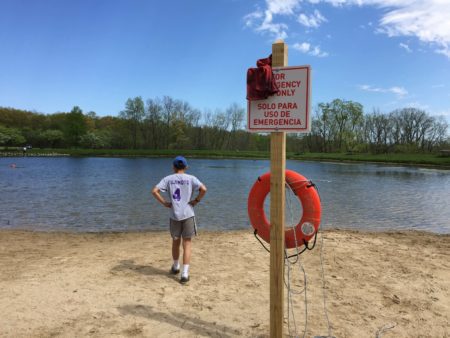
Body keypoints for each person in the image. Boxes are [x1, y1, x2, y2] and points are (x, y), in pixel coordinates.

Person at [152, 156, 207, 284]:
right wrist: (196, 200)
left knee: (175, 241)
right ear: (186, 167)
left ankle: (176, 266)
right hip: (188, 213)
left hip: (174, 215)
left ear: (173, 167)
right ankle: (185, 273)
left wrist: (165, 203)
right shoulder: (191, 178)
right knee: (187, 243)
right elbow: (204, 189)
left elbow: (154, 191)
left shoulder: (168, 179)